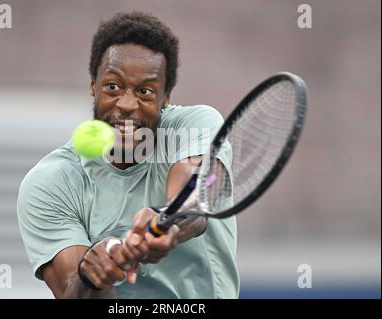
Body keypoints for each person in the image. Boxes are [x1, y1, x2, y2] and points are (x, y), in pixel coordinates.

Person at [17, 11, 239, 299]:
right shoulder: (50, 184)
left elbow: (195, 200)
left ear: (166, 97)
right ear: (92, 86)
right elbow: (71, 291)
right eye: (113, 86)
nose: (126, 104)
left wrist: (166, 220)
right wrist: (92, 275)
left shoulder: (195, 127)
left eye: (145, 91)